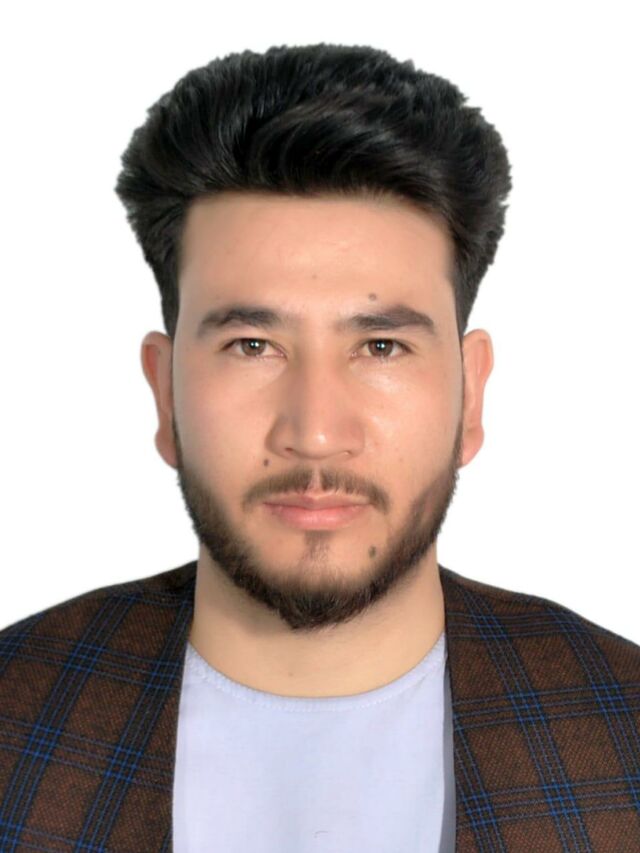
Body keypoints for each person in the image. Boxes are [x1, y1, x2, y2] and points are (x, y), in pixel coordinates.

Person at [1, 43, 638, 853]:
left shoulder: (623, 734)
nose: (315, 430)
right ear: (165, 393)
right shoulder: (15, 719)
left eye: (380, 347)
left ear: (470, 395)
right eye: (251, 345)